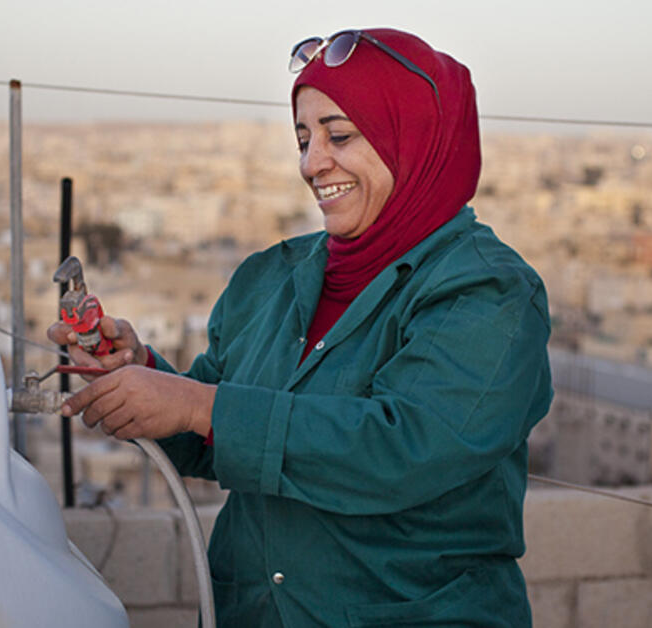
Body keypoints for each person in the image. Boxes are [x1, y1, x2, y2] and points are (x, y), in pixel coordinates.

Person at [50, 28, 552, 627]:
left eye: (340, 136)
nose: (312, 164)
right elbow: (210, 436)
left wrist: (197, 405)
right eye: (303, 139)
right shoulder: (272, 279)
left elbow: (403, 450)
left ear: (413, 137)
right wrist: (140, 374)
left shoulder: (486, 291)